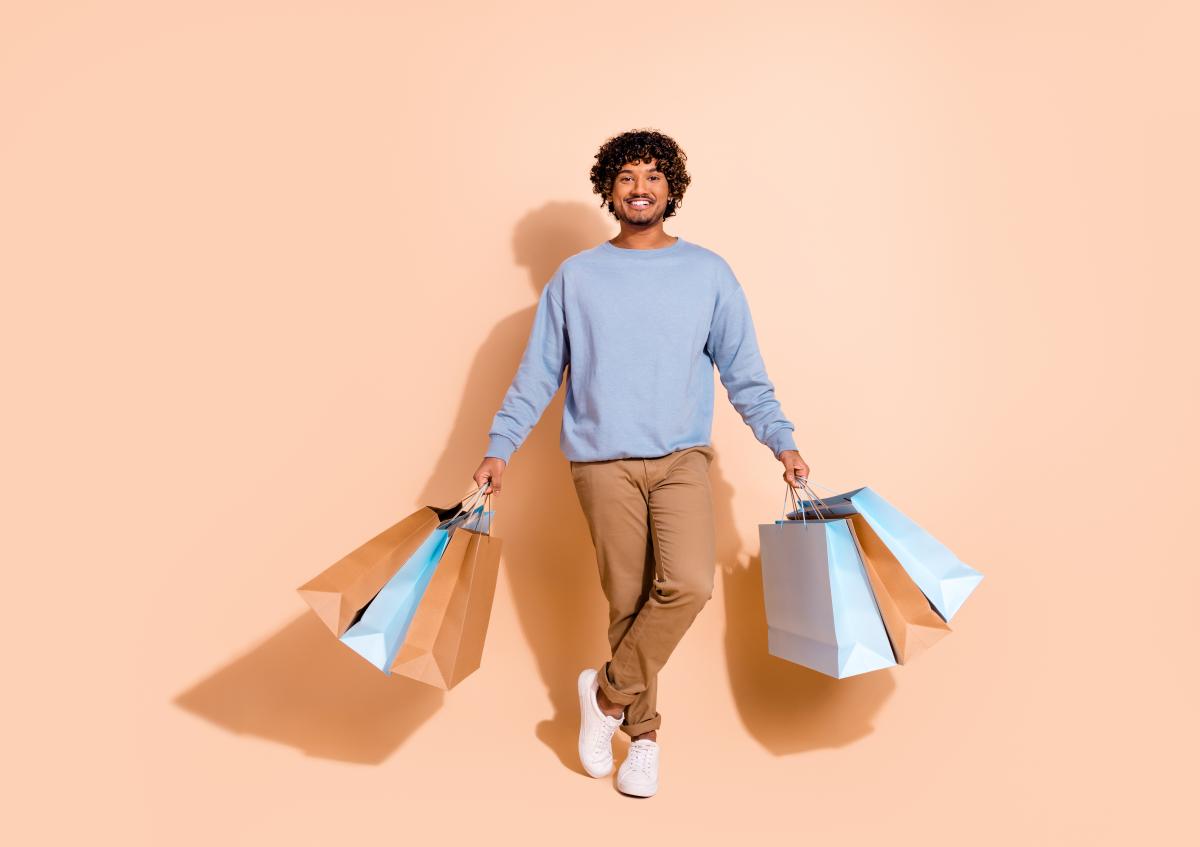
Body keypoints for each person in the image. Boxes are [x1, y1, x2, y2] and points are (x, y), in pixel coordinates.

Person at [472, 128, 810, 797]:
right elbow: (537, 375)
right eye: (627, 175)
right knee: (626, 601)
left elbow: (744, 373)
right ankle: (645, 738)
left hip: (682, 457)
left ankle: (602, 696)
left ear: (671, 189)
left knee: (687, 584)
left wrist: (782, 439)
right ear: (609, 188)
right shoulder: (577, 277)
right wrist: (499, 445)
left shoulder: (709, 272)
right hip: (602, 464)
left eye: (654, 176)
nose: (640, 187)